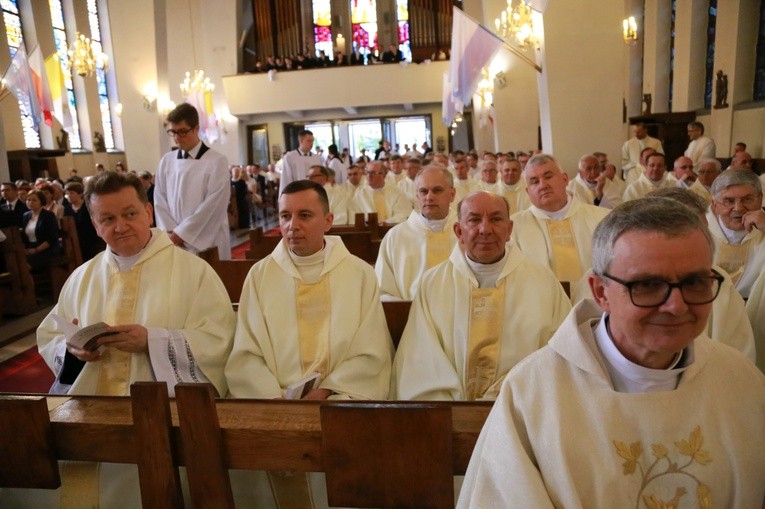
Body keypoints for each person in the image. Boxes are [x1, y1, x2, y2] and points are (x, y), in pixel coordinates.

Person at [457, 198, 765, 508]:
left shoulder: (740, 381)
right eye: (647, 284)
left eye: (695, 282)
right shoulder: (533, 393)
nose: (676, 305)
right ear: (601, 291)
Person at [1, 172, 236, 508]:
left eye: (129, 214)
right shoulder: (82, 277)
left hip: (167, 419)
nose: (120, 226)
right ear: (95, 225)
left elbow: (219, 339)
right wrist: (72, 350)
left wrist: (152, 341)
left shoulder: (193, 271)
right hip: (92, 417)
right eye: (107, 219)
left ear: (148, 213)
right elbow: (52, 334)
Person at [225, 180, 392, 508]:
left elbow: (371, 350)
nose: (292, 226)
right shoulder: (260, 276)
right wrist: (274, 399)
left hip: (339, 404)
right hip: (273, 407)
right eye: (285, 216)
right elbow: (246, 351)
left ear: (328, 221)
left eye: (304, 215)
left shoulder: (359, 274)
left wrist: (327, 391)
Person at [392, 191, 570, 401]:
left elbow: (560, 354)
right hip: (449, 414)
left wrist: (513, 397)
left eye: (495, 219)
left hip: (524, 409)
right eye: (474, 220)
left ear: (509, 229)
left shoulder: (542, 282)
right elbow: (420, 358)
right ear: (458, 231)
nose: (485, 229)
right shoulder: (433, 283)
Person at [511, 154, 609, 301]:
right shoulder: (514, 227)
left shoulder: (603, 219)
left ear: (565, 179)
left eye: (548, 176)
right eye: (534, 181)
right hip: (542, 312)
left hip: (595, 308)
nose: (543, 185)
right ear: (527, 191)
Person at [154, 103, 232, 259]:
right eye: (173, 132)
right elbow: (159, 201)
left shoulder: (216, 161)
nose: (177, 138)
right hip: (174, 243)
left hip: (208, 242)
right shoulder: (166, 161)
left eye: (182, 132)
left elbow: (214, 205)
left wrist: (183, 234)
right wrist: (171, 233)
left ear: (196, 128)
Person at [375, 165, 457, 301]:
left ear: (452, 194)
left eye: (437, 190)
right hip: (410, 317)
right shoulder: (396, 236)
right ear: (417, 195)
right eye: (424, 191)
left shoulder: (466, 234)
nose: (429, 197)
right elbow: (382, 290)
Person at [706, 169, 765, 298]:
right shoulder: (699, 229)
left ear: (760, 198)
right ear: (715, 205)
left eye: (747, 199)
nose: (738, 208)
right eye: (729, 201)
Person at [63, 181, 106, 261]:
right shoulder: (67, 208)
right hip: (76, 242)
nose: (69, 196)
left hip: (91, 240)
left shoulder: (87, 206)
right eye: (67, 193)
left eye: (72, 193)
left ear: (80, 194)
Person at [21, 189, 60, 271]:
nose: (30, 202)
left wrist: (36, 250)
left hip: (47, 248)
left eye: (34, 200)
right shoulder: (26, 215)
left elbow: (53, 237)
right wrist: (26, 250)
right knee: (17, 261)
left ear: (41, 201)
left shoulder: (49, 215)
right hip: (31, 248)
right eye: (28, 200)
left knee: (26, 265)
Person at [278, 129, 323, 193]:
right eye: (309, 141)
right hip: (296, 192)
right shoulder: (290, 157)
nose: (312, 143)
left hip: (313, 191)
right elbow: (286, 178)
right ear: (301, 141)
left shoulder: (317, 158)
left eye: (312, 141)